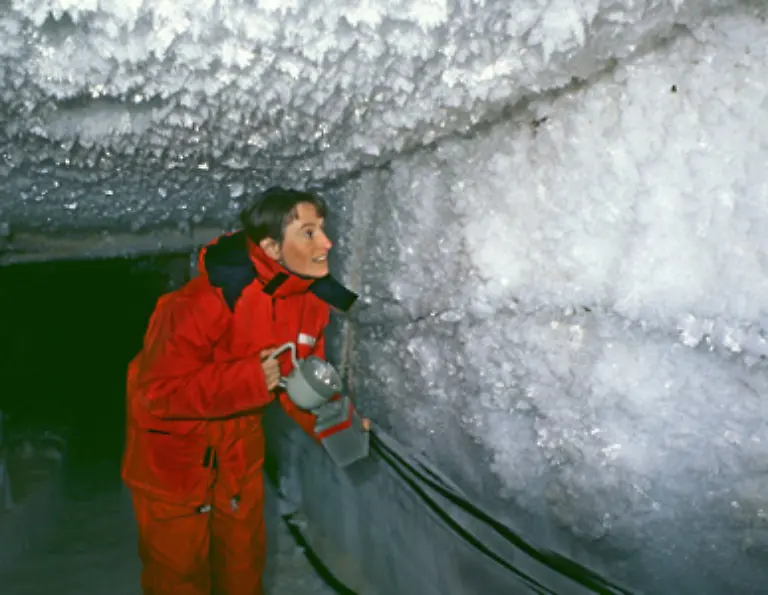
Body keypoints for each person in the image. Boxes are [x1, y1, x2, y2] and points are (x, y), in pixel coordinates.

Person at [122, 187, 361, 595]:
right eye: (308, 233)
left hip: (237, 459)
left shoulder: (310, 302)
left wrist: (340, 426)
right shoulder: (201, 302)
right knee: (178, 580)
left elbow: (298, 381)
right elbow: (155, 394)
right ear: (271, 247)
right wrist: (248, 380)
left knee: (242, 572)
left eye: (321, 229)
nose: (326, 242)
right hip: (174, 464)